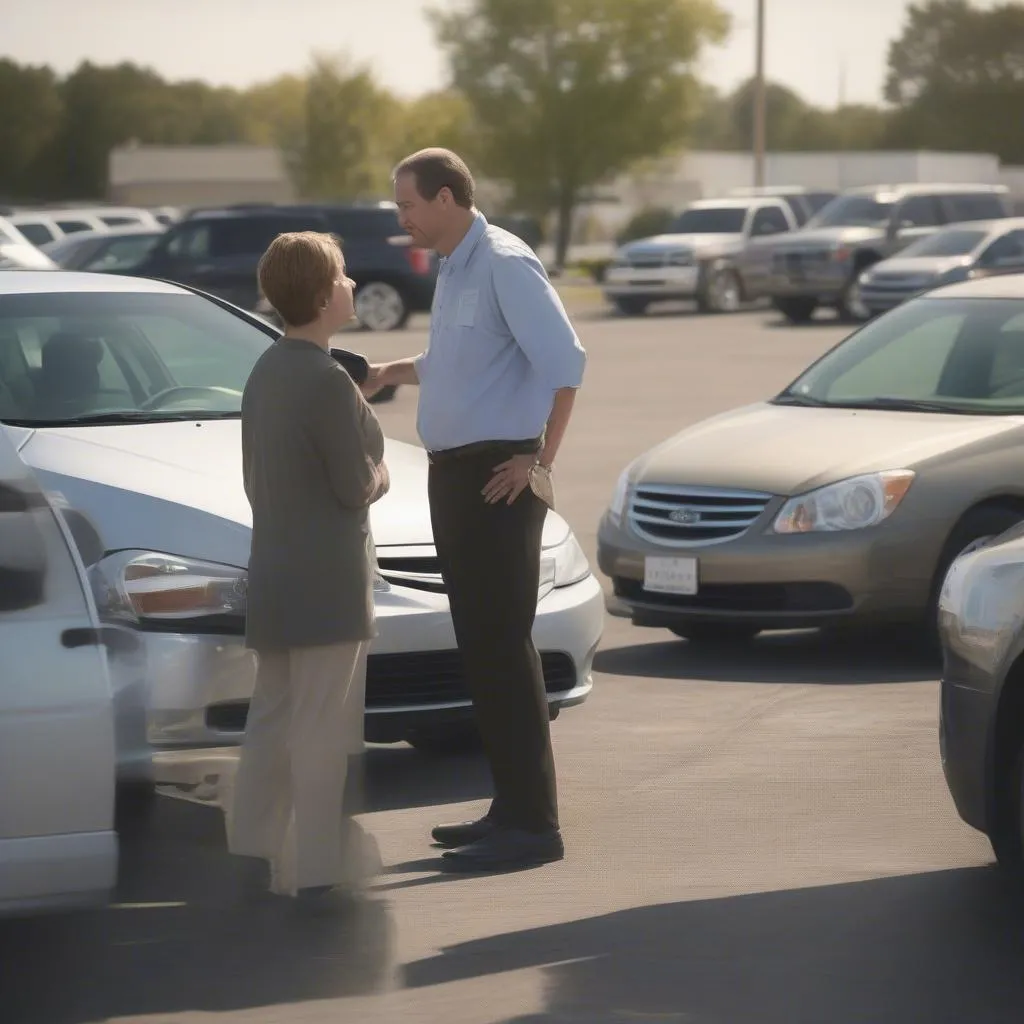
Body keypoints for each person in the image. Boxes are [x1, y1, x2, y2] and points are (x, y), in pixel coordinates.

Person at [365, 148, 587, 873]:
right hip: (453, 477)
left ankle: (534, 828)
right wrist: (398, 371)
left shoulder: (503, 260)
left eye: (408, 206)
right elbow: (465, 357)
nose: (402, 221)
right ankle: (510, 809)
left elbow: (566, 365)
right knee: (481, 650)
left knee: (502, 646)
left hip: (499, 478)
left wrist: (539, 463)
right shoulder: (457, 263)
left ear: (448, 197)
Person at [227, 231, 390, 908]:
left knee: (272, 720)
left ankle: (252, 852)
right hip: (328, 580)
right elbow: (356, 485)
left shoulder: (266, 368)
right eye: (345, 276)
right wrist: (382, 471)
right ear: (324, 296)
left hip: (274, 570)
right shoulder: (325, 380)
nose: (353, 284)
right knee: (322, 729)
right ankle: (320, 869)